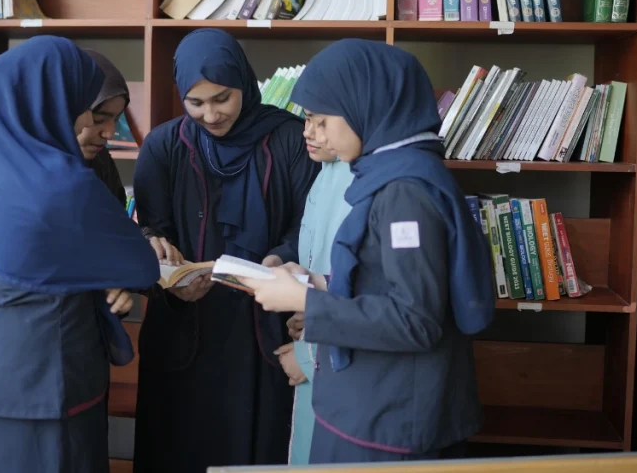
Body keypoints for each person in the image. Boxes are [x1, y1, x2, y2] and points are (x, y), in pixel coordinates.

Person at [245, 40, 495, 464]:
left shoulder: (406, 194)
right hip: (370, 403)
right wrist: (317, 282)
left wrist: (305, 301)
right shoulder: (387, 173)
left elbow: (415, 320)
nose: (313, 134)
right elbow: (384, 278)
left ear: (366, 106)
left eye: (322, 121)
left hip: (390, 418)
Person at [0, 36, 162, 472]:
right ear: (52, 104)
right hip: (47, 385)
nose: (96, 124)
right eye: (85, 106)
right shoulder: (63, 182)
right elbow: (140, 264)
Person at [132, 28, 320, 472]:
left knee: (260, 444)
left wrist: (278, 258)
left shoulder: (291, 138)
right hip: (186, 324)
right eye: (195, 103)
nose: (211, 115)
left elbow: (308, 227)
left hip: (265, 325)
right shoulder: (163, 146)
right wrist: (162, 263)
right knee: (179, 445)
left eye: (222, 98)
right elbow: (149, 231)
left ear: (244, 83)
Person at [0, 47, 181, 372]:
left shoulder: (97, 165)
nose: (109, 133)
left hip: (76, 357)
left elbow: (101, 245)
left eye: (116, 119)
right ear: (58, 111)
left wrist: (146, 243)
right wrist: (95, 291)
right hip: (14, 365)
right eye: (97, 118)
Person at [276, 121, 354, 466]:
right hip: (318, 339)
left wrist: (308, 354)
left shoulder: (363, 182)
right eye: (306, 119)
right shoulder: (326, 172)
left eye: (320, 121)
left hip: (337, 361)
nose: (307, 132)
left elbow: (363, 288)